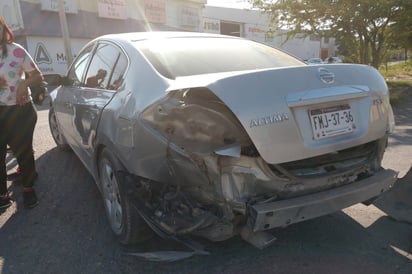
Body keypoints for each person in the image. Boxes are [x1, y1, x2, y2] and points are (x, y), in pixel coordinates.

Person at [0, 16, 44, 209]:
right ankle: (2, 194)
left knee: (24, 152)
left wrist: (24, 84)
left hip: (20, 111)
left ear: (4, 29)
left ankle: (28, 188)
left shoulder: (16, 51)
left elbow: (37, 75)